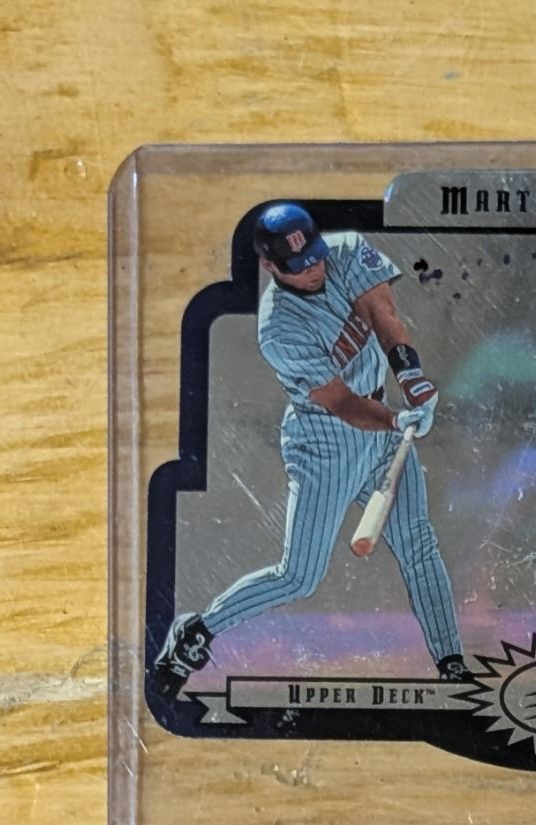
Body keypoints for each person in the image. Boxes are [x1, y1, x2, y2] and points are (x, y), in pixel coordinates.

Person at [153, 201, 465, 696]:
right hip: (326, 440)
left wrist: (411, 378)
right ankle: (199, 629)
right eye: (298, 266)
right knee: (299, 576)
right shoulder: (278, 329)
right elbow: (340, 402)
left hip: (382, 423)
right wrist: (394, 419)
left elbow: (382, 313)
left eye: (315, 256)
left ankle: (452, 665)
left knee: (417, 544)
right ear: (270, 266)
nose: (314, 268)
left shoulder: (346, 250)